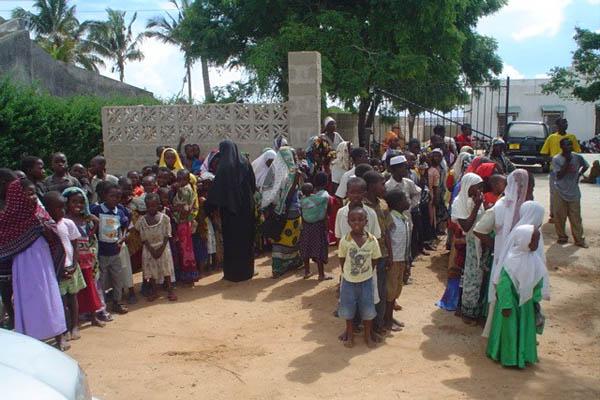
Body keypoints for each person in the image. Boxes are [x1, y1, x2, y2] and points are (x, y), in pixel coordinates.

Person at [0, 179, 67, 349]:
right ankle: (33, 339)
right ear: (17, 196)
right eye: (28, 193)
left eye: (33, 193)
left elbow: (54, 234)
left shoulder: (40, 213)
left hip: (43, 263)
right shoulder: (8, 219)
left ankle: (59, 335)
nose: (32, 197)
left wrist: (46, 230)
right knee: (28, 300)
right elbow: (5, 244)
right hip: (23, 266)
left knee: (49, 296)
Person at [486, 201, 550, 369]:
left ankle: (523, 356)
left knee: (522, 330)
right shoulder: (511, 262)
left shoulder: (533, 260)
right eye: (534, 240)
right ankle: (508, 357)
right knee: (510, 331)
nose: (536, 244)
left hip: (526, 304)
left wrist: (535, 298)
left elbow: (538, 280)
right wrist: (506, 304)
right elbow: (504, 285)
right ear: (524, 241)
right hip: (511, 307)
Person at [206, 140, 256, 282]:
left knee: (231, 242)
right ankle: (247, 271)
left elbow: (216, 192)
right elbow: (252, 184)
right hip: (246, 209)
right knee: (246, 240)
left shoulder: (223, 167)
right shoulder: (245, 163)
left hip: (230, 212)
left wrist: (209, 207)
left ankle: (232, 273)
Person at [44, 191, 85, 342]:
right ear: (48, 209)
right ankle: (64, 328)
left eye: (63, 207)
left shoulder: (68, 223)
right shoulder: (46, 227)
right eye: (58, 208)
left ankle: (74, 326)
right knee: (61, 301)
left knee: (73, 298)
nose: (62, 211)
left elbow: (75, 244)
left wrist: (74, 264)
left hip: (71, 267)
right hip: (57, 271)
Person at [337, 207, 381, 348]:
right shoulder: (345, 240)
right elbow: (342, 259)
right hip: (349, 282)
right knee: (348, 310)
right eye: (353, 220)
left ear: (366, 221)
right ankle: (350, 335)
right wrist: (347, 273)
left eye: (361, 220)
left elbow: (375, 259)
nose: (357, 223)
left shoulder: (372, 240)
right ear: (348, 222)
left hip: (366, 281)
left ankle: (367, 336)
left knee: (368, 309)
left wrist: (366, 272)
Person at [62, 187, 105, 328]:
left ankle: (93, 316)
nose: (78, 205)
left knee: (90, 288)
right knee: (75, 291)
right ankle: (76, 318)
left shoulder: (84, 219)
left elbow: (89, 235)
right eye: (74, 202)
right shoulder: (65, 220)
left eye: (81, 202)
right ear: (67, 203)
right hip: (73, 260)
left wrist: (96, 223)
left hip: (87, 258)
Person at [261, 147, 303, 278]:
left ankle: (282, 265)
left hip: (276, 211)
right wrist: (295, 180)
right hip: (290, 211)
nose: (296, 159)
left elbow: (267, 192)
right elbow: (290, 194)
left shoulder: (273, 172)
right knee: (287, 238)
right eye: (294, 156)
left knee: (280, 238)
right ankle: (283, 265)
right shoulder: (292, 174)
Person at [448, 173, 485, 324]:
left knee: (477, 276)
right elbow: (466, 226)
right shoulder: (459, 202)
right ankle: (467, 310)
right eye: (478, 186)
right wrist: (477, 207)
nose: (480, 190)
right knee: (471, 276)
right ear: (468, 186)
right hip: (469, 242)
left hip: (479, 242)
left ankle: (475, 308)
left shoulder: (475, 200)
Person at [363, 170, 395, 334]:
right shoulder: (360, 205)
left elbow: (388, 231)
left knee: (381, 289)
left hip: (381, 254)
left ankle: (378, 323)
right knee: (364, 290)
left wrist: (390, 254)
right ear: (370, 186)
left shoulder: (383, 204)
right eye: (381, 184)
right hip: (364, 255)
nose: (384, 186)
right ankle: (361, 323)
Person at [91, 182, 129, 314]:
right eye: (112, 196)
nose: (115, 199)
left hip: (115, 251)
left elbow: (125, 225)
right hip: (100, 253)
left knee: (117, 279)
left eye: (118, 197)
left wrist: (123, 238)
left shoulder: (120, 210)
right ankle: (101, 306)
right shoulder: (96, 210)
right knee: (100, 280)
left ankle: (117, 302)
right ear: (104, 196)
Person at [135, 193, 177, 301]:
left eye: (154, 206)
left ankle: (170, 290)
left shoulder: (164, 218)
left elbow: (167, 235)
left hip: (163, 248)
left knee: (166, 269)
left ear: (159, 205)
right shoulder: (142, 220)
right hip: (149, 249)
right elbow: (143, 237)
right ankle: (154, 291)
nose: (151, 208)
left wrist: (161, 249)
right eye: (149, 206)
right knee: (151, 270)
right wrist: (151, 250)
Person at [540, 118, 581, 221]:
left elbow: (577, 153)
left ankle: (569, 214)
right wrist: (554, 160)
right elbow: (544, 154)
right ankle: (554, 215)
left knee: (571, 193)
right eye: (563, 123)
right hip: (556, 171)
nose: (565, 125)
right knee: (555, 193)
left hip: (570, 172)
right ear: (557, 126)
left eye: (566, 123)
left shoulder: (571, 137)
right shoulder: (551, 138)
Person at [552, 138, 589, 248]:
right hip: (560, 191)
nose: (569, 147)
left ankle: (579, 240)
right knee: (559, 216)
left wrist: (579, 174)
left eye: (570, 145)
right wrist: (567, 161)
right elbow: (559, 175)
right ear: (561, 147)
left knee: (576, 217)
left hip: (573, 192)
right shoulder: (557, 159)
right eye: (566, 145)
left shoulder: (577, 157)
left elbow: (586, 165)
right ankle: (562, 237)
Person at [384, 189, 411, 331]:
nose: (408, 201)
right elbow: (387, 237)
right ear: (398, 203)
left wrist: (407, 260)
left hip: (402, 258)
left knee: (396, 289)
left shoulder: (403, 218)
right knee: (390, 290)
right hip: (393, 260)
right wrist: (390, 257)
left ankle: (390, 317)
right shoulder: (391, 219)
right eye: (405, 198)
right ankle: (386, 321)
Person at [299, 173, 331, 281]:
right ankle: (321, 274)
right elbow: (327, 211)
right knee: (319, 249)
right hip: (318, 226)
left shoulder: (302, 201)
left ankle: (307, 271)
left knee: (306, 247)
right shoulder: (323, 197)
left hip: (306, 226)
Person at [172, 169, 199, 283]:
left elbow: (185, 209)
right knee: (185, 247)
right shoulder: (183, 189)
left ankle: (189, 274)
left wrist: (175, 208)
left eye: (183, 179)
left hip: (183, 223)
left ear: (188, 180)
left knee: (185, 248)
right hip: (183, 222)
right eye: (179, 179)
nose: (180, 181)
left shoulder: (186, 190)